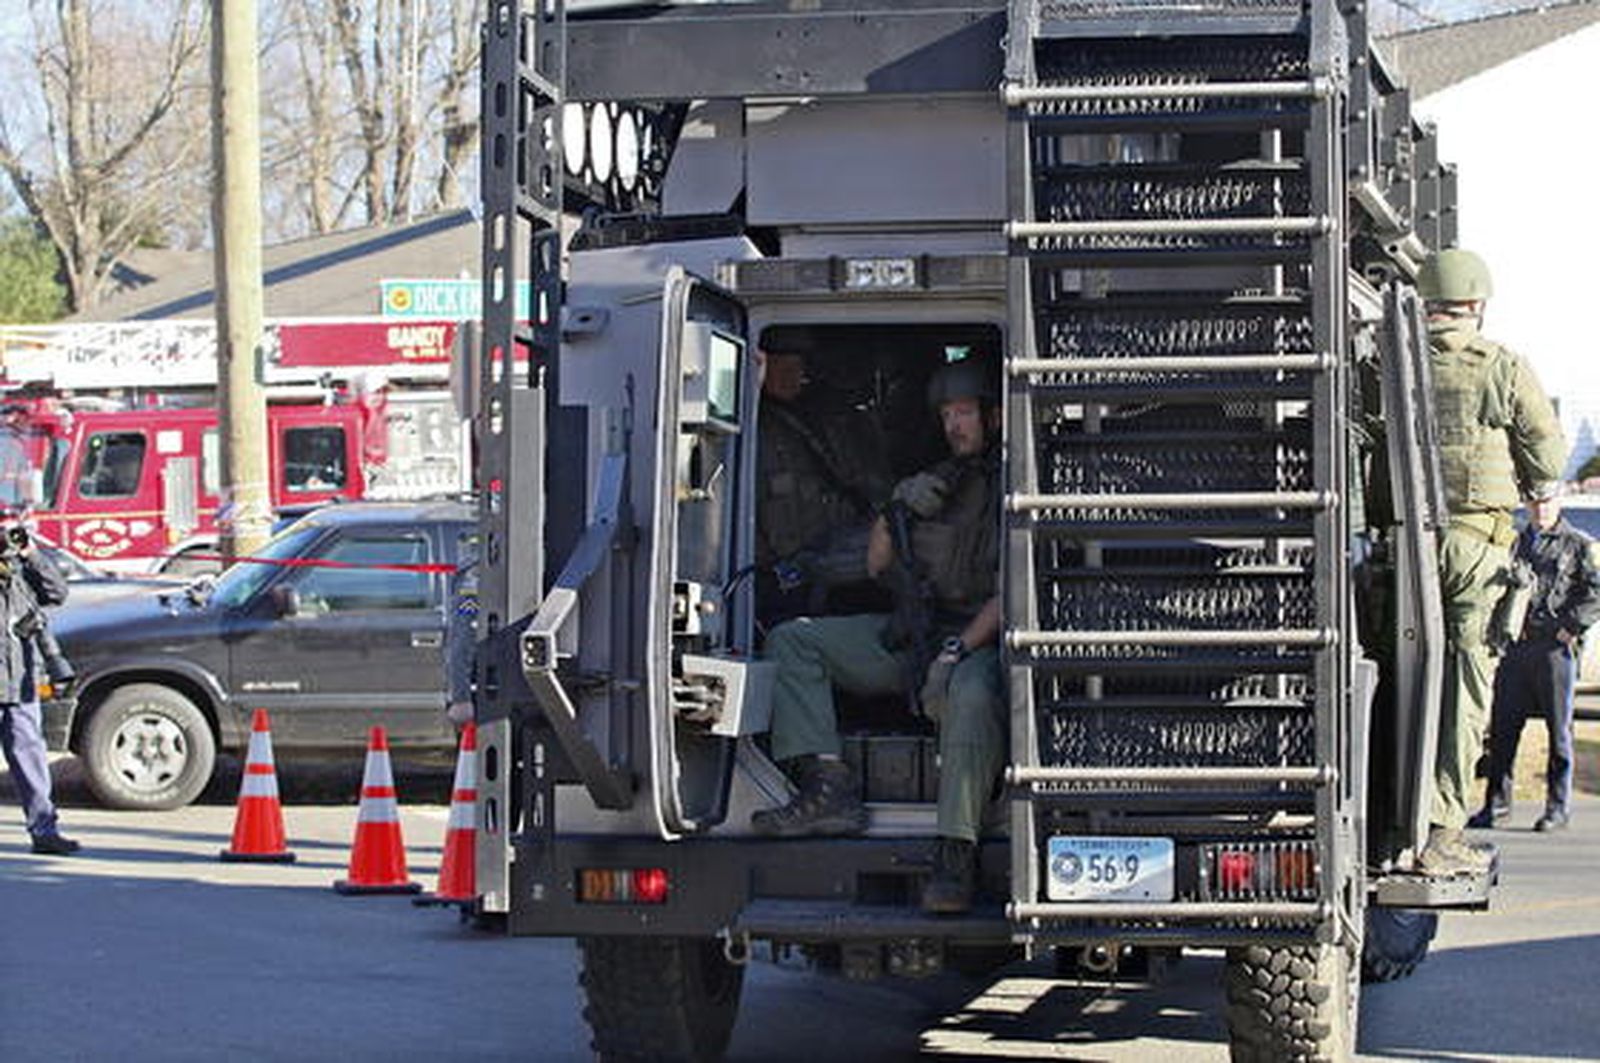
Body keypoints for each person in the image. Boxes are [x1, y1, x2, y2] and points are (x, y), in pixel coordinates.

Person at [751, 357, 1002, 915]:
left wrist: (958, 652)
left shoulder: (1016, 485)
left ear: (994, 414)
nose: (955, 426)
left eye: (964, 412)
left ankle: (955, 851)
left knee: (972, 696)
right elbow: (874, 567)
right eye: (946, 415)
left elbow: (1014, 595)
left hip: (980, 641)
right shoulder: (936, 482)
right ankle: (827, 788)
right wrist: (894, 514)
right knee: (795, 642)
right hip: (918, 632)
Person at [1417, 247, 1566, 875]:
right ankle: (1441, 828)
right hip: (1476, 549)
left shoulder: (1384, 361)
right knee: (1464, 686)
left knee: (1400, 676)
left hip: (1401, 545)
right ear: (1477, 302)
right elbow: (1550, 464)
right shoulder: (1501, 367)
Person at [1470, 486, 1600, 833]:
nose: (1541, 508)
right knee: (1503, 731)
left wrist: (1571, 626)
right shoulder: (1514, 542)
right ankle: (1496, 806)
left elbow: (1595, 591)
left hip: (1554, 651)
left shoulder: (1578, 543)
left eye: (1547, 501)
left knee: (1559, 734)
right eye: (1535, 502)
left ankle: (1557, 809)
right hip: (1516, 649)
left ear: (1558, 502)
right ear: (1527, 505)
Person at [753, 341, 892, 628]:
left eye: (799, 364)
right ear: (761, 362)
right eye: (785, 364)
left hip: (833, 568)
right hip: (778, 580)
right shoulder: (751, 427)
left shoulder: (834, 421)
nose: (795, 373)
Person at [0, 521, 77, 855]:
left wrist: (30, 552)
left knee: (30, 756)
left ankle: (44, 830)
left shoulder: (19, 568)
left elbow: (57, 592)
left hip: (19, 681)